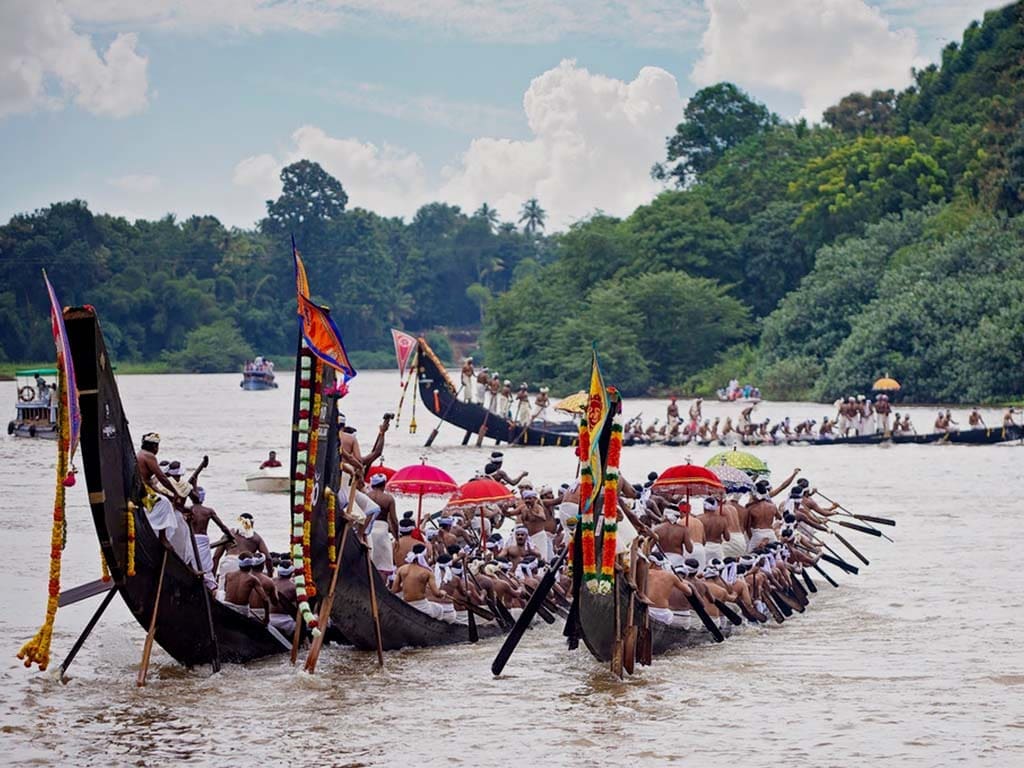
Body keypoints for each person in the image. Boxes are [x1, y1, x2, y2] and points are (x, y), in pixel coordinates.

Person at [391, 543, 454, 620]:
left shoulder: (401, 569)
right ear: (424, 556)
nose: (428, 557)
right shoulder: (427, 572)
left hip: (406, 603)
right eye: (427, 555)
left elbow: (394, 590)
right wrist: (442, 592)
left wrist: (405, 587)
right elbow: (437, 594)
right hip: (421, 605)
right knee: (439, 609)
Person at [214, 512, 272, 589]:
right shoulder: (256, 537)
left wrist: (213, 576)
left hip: (228, 563)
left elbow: (216, 557)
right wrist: (270, 575)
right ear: (252, 523)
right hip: (245, 565)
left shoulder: (229, 534)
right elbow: (268, 558)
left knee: (223, 590)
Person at [186, 487, 229, 591]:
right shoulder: (208, 511)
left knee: (192, 563)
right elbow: (222, 527)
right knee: (205, 568)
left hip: (191, 540)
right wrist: (230, 536)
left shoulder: (188, 510)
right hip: (201, 541)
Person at [364, 473, 398, 580]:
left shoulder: (367, 496)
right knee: (384, 563)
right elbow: (394, 520)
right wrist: (397, 537)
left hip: (368, 528)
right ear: (384, 485)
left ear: (373, 485)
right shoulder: (389, 499)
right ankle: (381, 588)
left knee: (369, 560)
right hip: (383, 531)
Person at [222, 554, 270, 624]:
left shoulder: (228, 575)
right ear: (251, 565)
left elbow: (225, 590)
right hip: (241, 610)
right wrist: (267, 617)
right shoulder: (253, 579)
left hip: (226, 606)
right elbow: (265, 599)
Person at [270, 560, 298, 634]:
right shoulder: (294, 587)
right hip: (285, 621)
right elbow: (299, 608)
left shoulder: (270, 581)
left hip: (268, 617)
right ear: (292, 572)